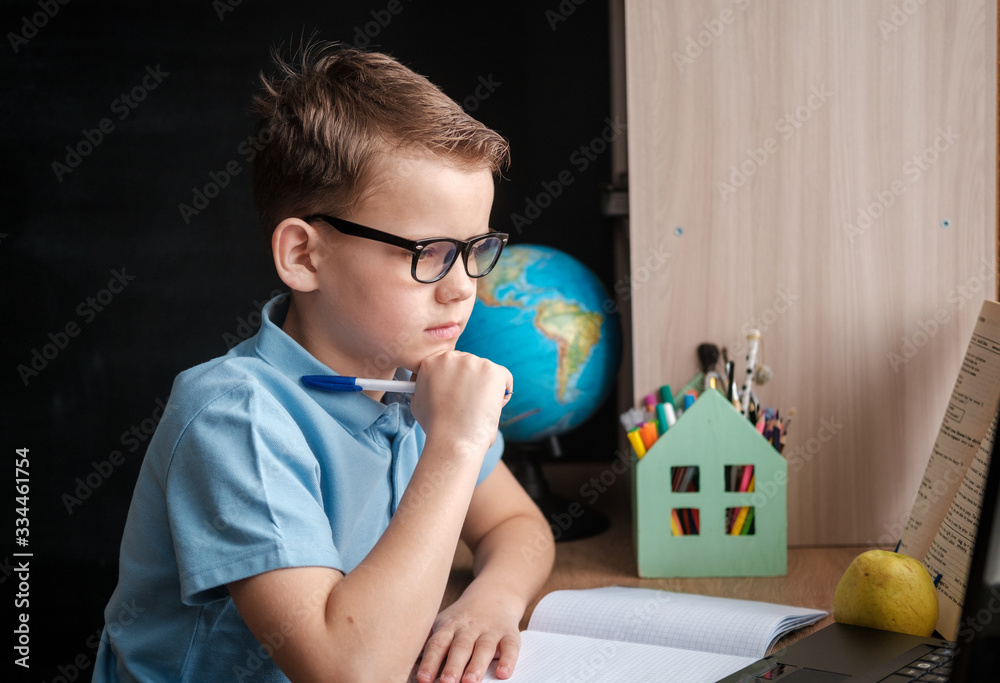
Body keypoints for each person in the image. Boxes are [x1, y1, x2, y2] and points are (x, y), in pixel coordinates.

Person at [94, 41, 555, 683]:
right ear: (305, 256)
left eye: (477, 248)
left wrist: (491, 600)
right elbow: (347, 673)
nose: (462, 287)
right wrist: (454, 444)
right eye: (429, 253)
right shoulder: (237, 419)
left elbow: (516, 523)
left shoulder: (414, 375)